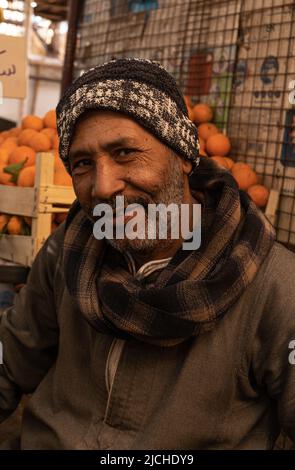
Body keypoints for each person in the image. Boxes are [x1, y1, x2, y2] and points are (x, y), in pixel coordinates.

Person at [0, 58, 295, 450]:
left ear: (184, 154)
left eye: (124, 153)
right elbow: (11, 356)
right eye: (83, 163)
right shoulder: (67, 254)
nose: (103, 187)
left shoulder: (274, 286)